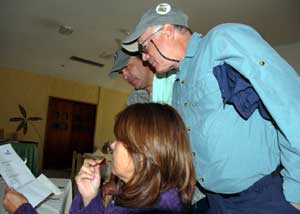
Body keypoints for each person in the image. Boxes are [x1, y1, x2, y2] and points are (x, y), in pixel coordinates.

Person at [121, 2, 300, 213]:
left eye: (144, 46)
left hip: (262, 197)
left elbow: (288, 102)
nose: (143, 56)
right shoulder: (179, 86)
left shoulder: (220, 42)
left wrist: (296, 187)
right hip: (216, 202)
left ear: (167, 31)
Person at [3, 103, 195, 213]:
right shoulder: (147, 194)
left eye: (120, 139)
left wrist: (22, 210)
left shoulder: (154, 210)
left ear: (144, 152)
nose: (112, 145)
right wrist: (90, 197)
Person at [110, 48, 176, 105]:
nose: (125, 77)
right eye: (121, 72)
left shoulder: (175, 83)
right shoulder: (134, 99)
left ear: (144, 58)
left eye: (127, 67)